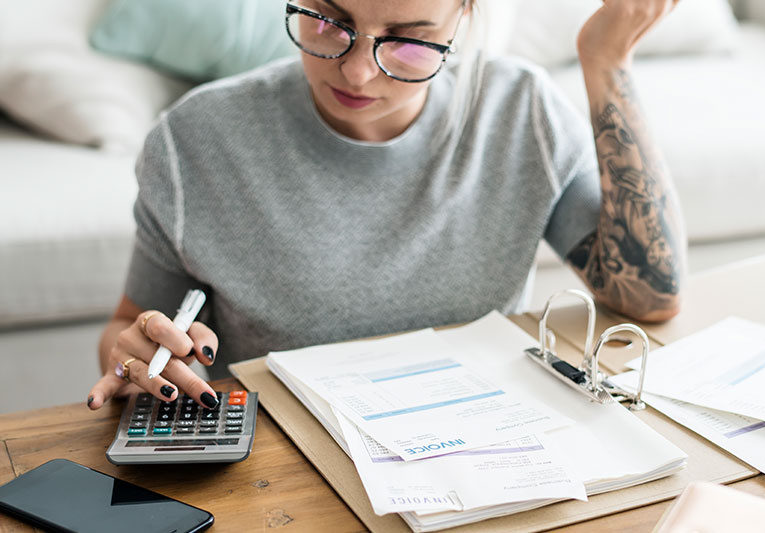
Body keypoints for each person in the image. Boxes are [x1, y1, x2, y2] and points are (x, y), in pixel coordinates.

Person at [88, 0, 686, 411]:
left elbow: (649, 294)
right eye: (328, 19)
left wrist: (607, 62)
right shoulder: (196, 141)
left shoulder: (521, 113)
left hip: (485, 446)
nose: (355, 71)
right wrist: (134, 358)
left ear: (465, 17)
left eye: (410, 41)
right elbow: (131, 326)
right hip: (283, 468)